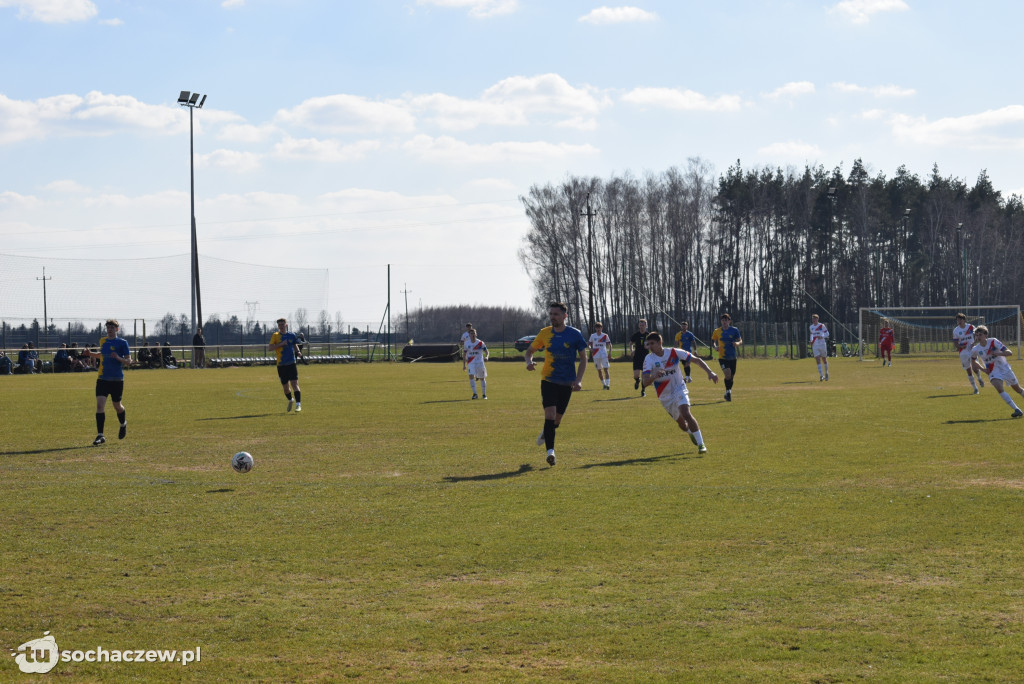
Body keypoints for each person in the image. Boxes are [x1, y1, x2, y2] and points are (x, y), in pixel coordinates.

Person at [525, 302, 588, 466]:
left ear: (564, 316)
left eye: (556, 314)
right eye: (551, 314)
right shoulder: (544, 333)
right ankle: (550, 452)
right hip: (549, 380)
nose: (553, 317)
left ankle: (547, 431)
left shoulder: (575, 334)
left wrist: (579, 380)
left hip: (567, 382)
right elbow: (529, 351)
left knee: (557, 420)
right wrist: (529, 362)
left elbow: (583, 358)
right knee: (550, 415)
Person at [642, 331, 719, 453]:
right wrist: (654, 376)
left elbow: (697, 360)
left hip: (679, 388)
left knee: (686, 413)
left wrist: (710, 372)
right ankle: (690, 432)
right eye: (648, 344)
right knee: (682, 424)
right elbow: (644, 382)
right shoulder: (649, 358)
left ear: (659, 342)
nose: (650, 346)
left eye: (652, 343)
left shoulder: (674, 352)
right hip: (664, 396)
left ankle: (701, 445)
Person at [81, 319, 130, 445]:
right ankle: (100, 435)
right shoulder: (103, 341)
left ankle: (123, 424)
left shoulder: (123, 343)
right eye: (108, 327)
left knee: (117, 406)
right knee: (99, 406)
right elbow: (102, 355)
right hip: (102, 378)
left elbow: (129, 361)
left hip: (117, 379)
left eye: (112, 328)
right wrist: (90, 353)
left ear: (117, 330)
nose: (109, 330)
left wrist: (118, 358)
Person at [970, 325, 1023, 418]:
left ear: (986, 335)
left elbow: (1009, 352)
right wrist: (983, 369)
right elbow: (973, 361)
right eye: (977, 335)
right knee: (999, 388)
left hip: (1005, 368)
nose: (978, 337)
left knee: (1018, 389)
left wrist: (997, 353)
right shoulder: (975, 349)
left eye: (980, 335)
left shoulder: (993, 341)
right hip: (992, 371)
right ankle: (1017, 409)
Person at [269, 317, 303, 412]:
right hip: (281, 365)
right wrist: (281, 344)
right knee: (286, 388)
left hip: (291, 363)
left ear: (286, 325)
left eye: (282, 324)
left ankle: (298, 404)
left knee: (295, 384)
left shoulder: (292, 335)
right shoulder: (275, 335)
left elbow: (294, 345)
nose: (281, 326)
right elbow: (270, 348)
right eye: (279, 325)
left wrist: (298, 352)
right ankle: (290, 400)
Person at [711, 313, 742, 401]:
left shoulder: (734, 330)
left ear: (729, 321)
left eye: (726, 320)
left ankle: (727, 392)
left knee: (731, 377)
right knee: (727, 374)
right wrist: (715, 346)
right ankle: (728, 392)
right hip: (722, 357)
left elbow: (740, 340)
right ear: (721, 321)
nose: (724, 322)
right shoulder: (717, 331)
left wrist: (737, 343)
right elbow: (713, 341)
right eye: (723, 320)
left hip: (733, 357)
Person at [953, 313, 985, 394]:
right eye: (957, 320)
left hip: (972, 350)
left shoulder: (971, 327)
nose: (959, 321)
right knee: (969, 370)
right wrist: (961, 346)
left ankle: (979, 378)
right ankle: (975, 388)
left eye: (960, 319)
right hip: (963, 352)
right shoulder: (956, 330)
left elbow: (977, 335)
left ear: (964, 320)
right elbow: (956, 344)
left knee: (975, 368)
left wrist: (974, 342)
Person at [462, 328, 489, 399]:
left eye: (474, 333)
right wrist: (464, 365)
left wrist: (487, 357)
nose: (473, 334)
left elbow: (487, 351)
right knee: (471, 376)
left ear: (476, 334)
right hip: (471, 362)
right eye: (471, 333)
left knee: (482, 378)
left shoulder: (480, 343)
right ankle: (475, 394)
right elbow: (464, 354)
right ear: (469, 335)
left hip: (480, 362)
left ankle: (484, 395)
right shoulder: (466, 343)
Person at [588, 321, 612, 390]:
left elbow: (609, 344)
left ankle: (608, 385)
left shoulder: (605, 335)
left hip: (604, 354)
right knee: (599, 370)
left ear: (602, 328)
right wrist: (590, 349)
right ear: (595, 328)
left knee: (606, 369)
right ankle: (604, 384)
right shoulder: (593, 336)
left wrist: (610, 352)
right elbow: (588, 344)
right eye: (597, 328)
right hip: (596, 355)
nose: (598, 329)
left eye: (599, 328)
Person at [630, 318, 650, 396]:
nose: (641, 326)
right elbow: (630, 343)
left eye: (643, 325)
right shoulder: (636, 335)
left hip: (646, 357)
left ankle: (643, 391)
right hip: (637, 357)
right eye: (640, 325)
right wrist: (632, 351)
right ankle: (637, 381)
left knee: (644, 375)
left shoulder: (649, 335)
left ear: (646, 326)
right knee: (636, 375)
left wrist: (648, 347)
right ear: (639, 326)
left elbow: (652, 344)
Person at [810, 313, 830, 381]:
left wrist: (822, 336)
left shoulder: (821, 325)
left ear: (817, 319)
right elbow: (811, 335)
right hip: (815, 345)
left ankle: (826, 372)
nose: (814, 320)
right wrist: (811, 341)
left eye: (815, 319)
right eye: (813, 319)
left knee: (824, 359)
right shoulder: (811, 327)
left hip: (822, 344)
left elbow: (827, 333)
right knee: (817, 359)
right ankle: (821, 375)